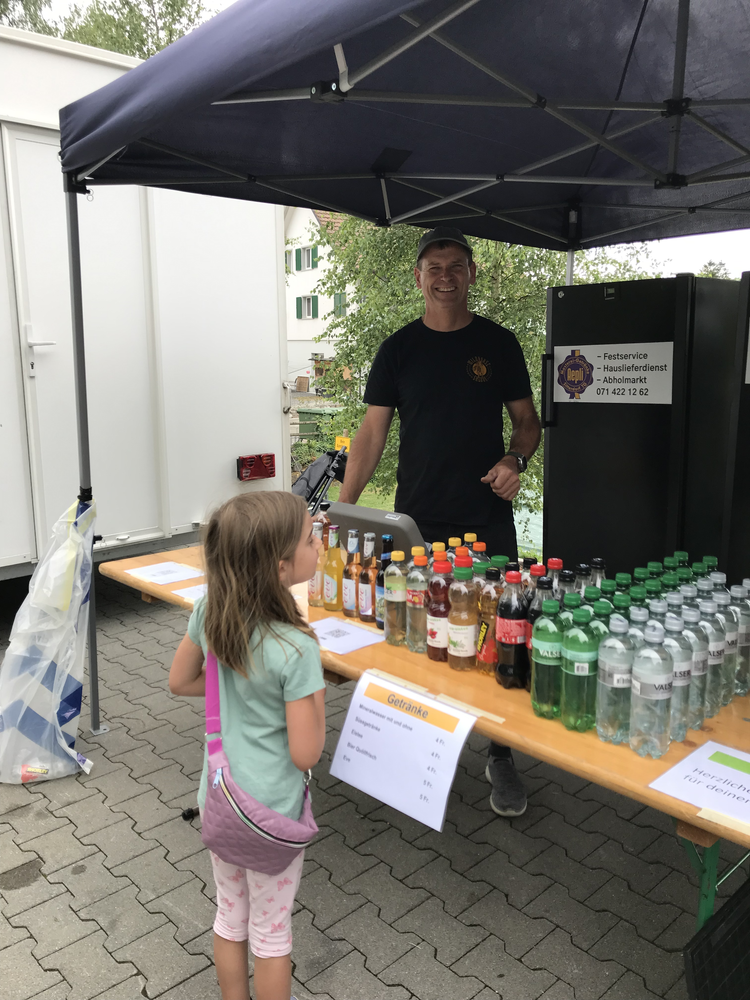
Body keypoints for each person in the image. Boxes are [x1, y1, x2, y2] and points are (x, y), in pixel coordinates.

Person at [339, 226, 541, 817]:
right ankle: (417, 748)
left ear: (472, 274)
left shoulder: (499, 344)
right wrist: (342, 512)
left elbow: (528, 424)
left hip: (487, 520)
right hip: (418, 523)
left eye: (456, 265)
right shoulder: (398, 348)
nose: (445, 275)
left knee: (499, 633)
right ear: (420, 277)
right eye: (434, 266)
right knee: (414, 632)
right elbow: (371, 434)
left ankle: (501, 753)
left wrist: (515, 459)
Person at [169, 491, 326, 1000]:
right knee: (272, 931)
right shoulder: (297, 649)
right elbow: (306, 754)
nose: (318, 542)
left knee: (229, 914)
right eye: (310, 538)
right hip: (270, 814)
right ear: (281, 567)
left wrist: (235, 693)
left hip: (219, 798)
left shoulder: (209, 609)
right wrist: (312, 702)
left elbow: (181, 681)